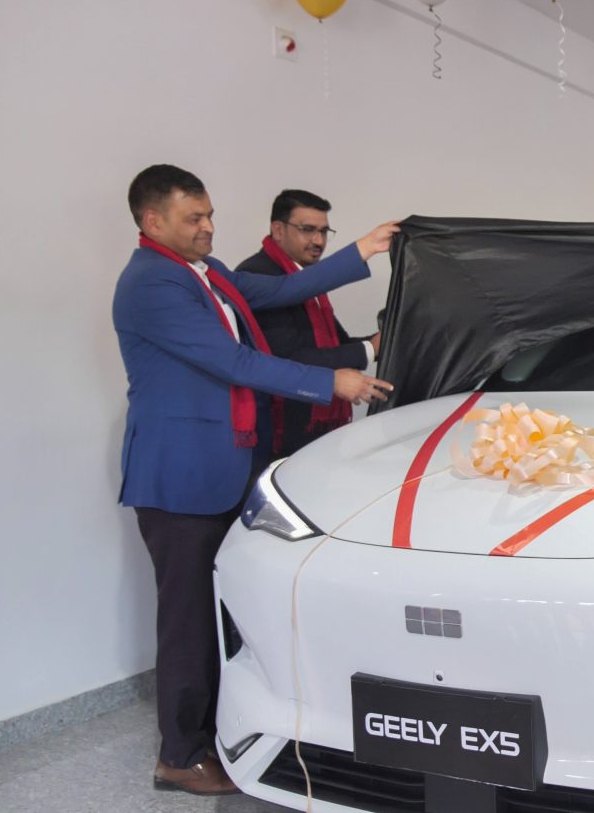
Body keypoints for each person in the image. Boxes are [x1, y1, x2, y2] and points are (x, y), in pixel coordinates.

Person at [112, 165, 396, 796]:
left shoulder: (206, 272)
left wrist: (363, 249)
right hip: (180, 477)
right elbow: (232, 360)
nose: (208, 227)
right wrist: (330, 381)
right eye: (194, 218)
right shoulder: (151, 283)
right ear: (152, 221)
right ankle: (180, 756)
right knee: (189, 619)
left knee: (231, 607)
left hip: (226, 464)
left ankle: (228, 734)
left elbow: (279, 290)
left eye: (210, 214)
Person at [236, 189, 379, 457]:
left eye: (324, 231)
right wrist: (370, 349)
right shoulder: (259, 274)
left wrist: (385, 341)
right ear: (278, 230)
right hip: (280, 430)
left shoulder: (307, 277)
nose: (318, 241)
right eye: (308, 230)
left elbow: (338, 344)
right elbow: (288, 356)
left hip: (312, 427)